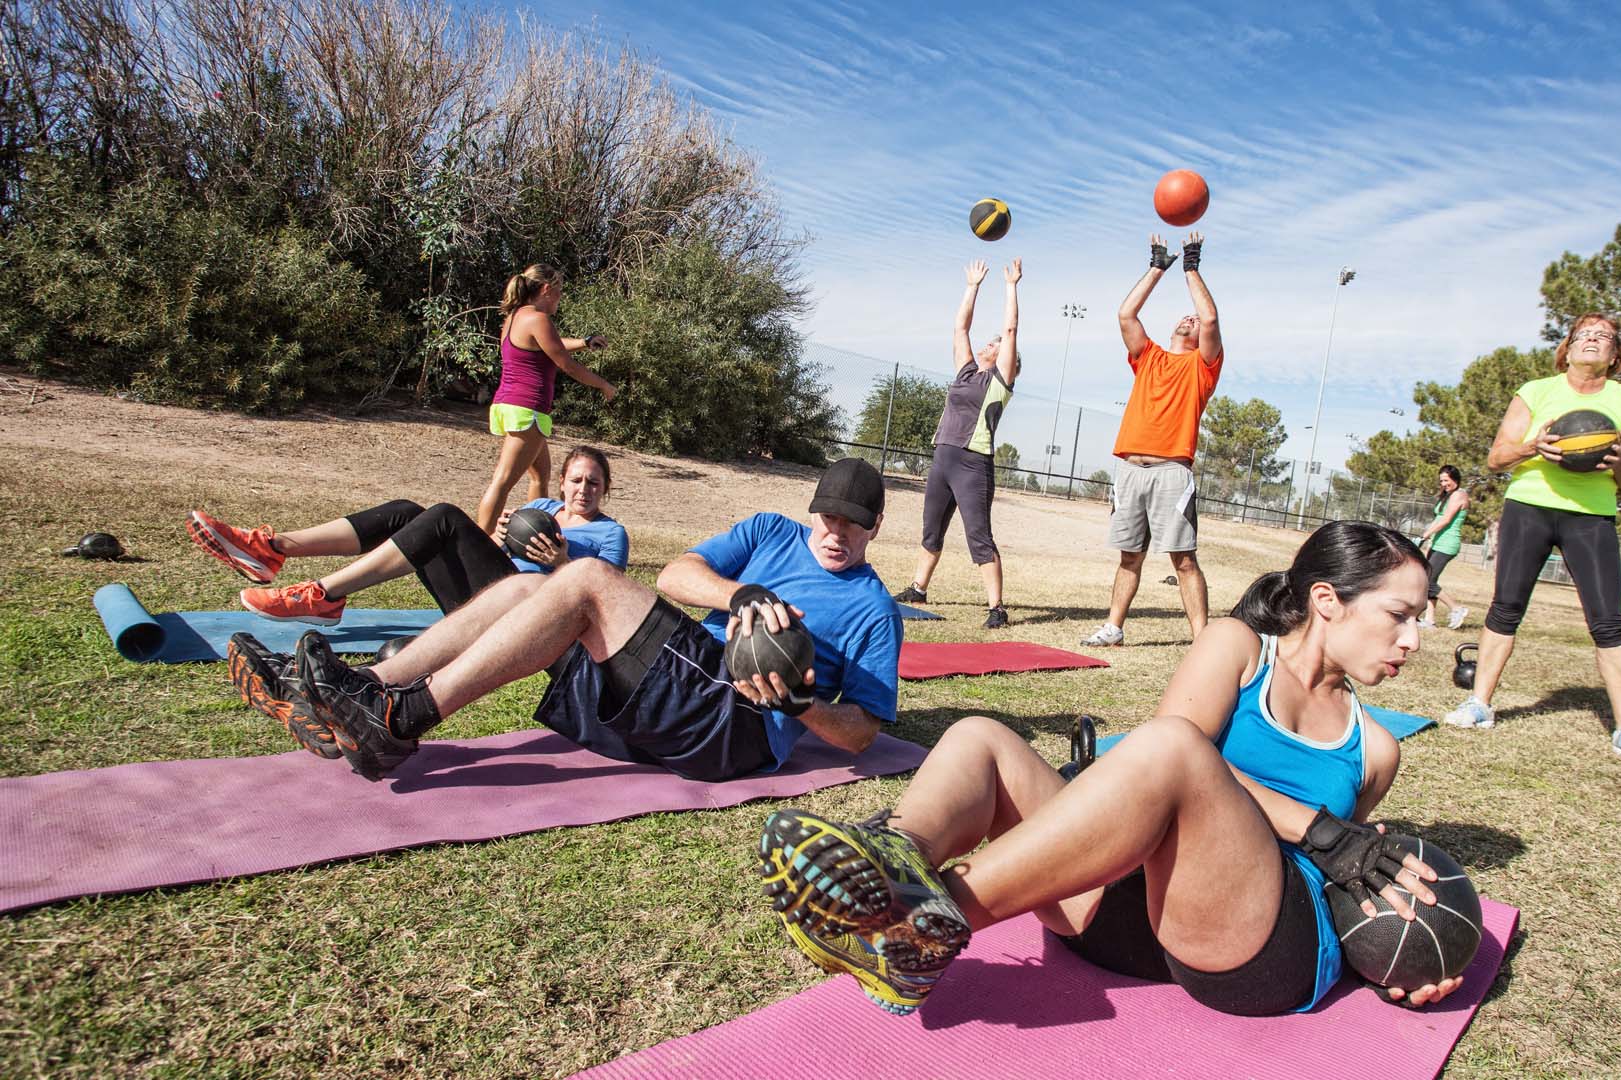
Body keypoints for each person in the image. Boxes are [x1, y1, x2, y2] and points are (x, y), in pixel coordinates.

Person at [756, 521, 1463, 1019]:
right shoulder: (1238, 648)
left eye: (1420, 620)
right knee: (981, 737)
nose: (1413, 640)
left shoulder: (1376, 748)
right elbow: (1179, 754)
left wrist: (1402, 954)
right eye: (1400, 614)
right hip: (1126, 922)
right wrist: (1323, 829)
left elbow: (1341, 874)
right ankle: (894, 857)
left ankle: (908, 930)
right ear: (1328, 601)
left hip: (1253, 947)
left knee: (1171, 751)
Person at [239, 459, 904, 785]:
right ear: (812, 508)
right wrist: (738, 593)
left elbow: (860, 737)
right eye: (828, 515)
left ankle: (399, 719)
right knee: (529, 587)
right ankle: (365, 690)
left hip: (735, 727)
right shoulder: (769, 532)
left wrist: (803, 701)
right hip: (680, 683)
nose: (836, 531)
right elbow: (674, 576)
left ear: (876, 525)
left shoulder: (873, 610)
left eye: (854, 521)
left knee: (583, 577)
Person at [1441, 314, 1621, 763]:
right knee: (1505, 607)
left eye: (1605, 337)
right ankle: (1478, 704)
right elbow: (1498, 456)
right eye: (1585, 335)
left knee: (1608, 620)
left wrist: (1617, 460)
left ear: (1616, 354)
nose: (1594, 341)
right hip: (1529, 507)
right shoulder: (1536, 391)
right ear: (1568, 348)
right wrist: (1533, 446)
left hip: (1591, 516)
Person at [188, 445, 628, 623]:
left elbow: (602, 605)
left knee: (443, 517)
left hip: (520, 617)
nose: (582, 489)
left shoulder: (612, 535)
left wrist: (562, 563)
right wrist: (495, 537)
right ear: (564, 482)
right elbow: (493, 552)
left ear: (605, 489)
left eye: (592, 482)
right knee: (405, 513)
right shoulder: (540, 508)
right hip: (484, 592)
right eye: (575, 480)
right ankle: (270, 548)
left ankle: (323, 594)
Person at [1082, 233, 1224, 647]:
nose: (1191, 319)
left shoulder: (1203, 367)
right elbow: (1126, 313)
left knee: (1182, 559)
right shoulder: (1149, 356)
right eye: (1186, 317)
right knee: (1129, 557)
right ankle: (1114, 627)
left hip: (1171, 474)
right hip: (1130, 470)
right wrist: (1157, 267)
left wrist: (1191, 267)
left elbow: (1211, 319)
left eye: (1194, 321)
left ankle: (1202, 640)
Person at [894, 259, 1022, 629]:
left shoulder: (999, 381)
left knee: (979, 537)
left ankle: (997, 608)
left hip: (972, 463)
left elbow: (1011, 329)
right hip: (942, 458)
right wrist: (973, 287)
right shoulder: (966, 372)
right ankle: (919, 589)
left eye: (995, 343)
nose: (990, 342)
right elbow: (959, 327)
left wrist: (1011, 285)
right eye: (990, 341)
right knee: (931, 529)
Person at [473, 264, 619, 539]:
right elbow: (566, 365)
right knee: (503, 480)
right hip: (525, 408)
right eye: (559, 292)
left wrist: (585, 342)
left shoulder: (517, 317)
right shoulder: (538, 319)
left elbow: (552, 343)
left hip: (514, 405)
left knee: (540, 476)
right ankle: (479, 541)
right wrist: (604, 385)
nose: (560, 298)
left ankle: (531, 535)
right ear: (547, 289)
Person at [1415, 465, 1472, 629]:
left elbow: (1446, 520)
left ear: (1455, 479)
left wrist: (1423, 536)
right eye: (1441, 481)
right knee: (1430, 578)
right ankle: (1430, 620)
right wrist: (1427, 538)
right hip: (1437, 542)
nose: (1444, 483)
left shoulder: (1459, 495)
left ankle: (1457, 609)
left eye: (1446, 480)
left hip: (1448, 544)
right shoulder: (1448, 496)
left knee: (1428, 581)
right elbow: (1438, 519)